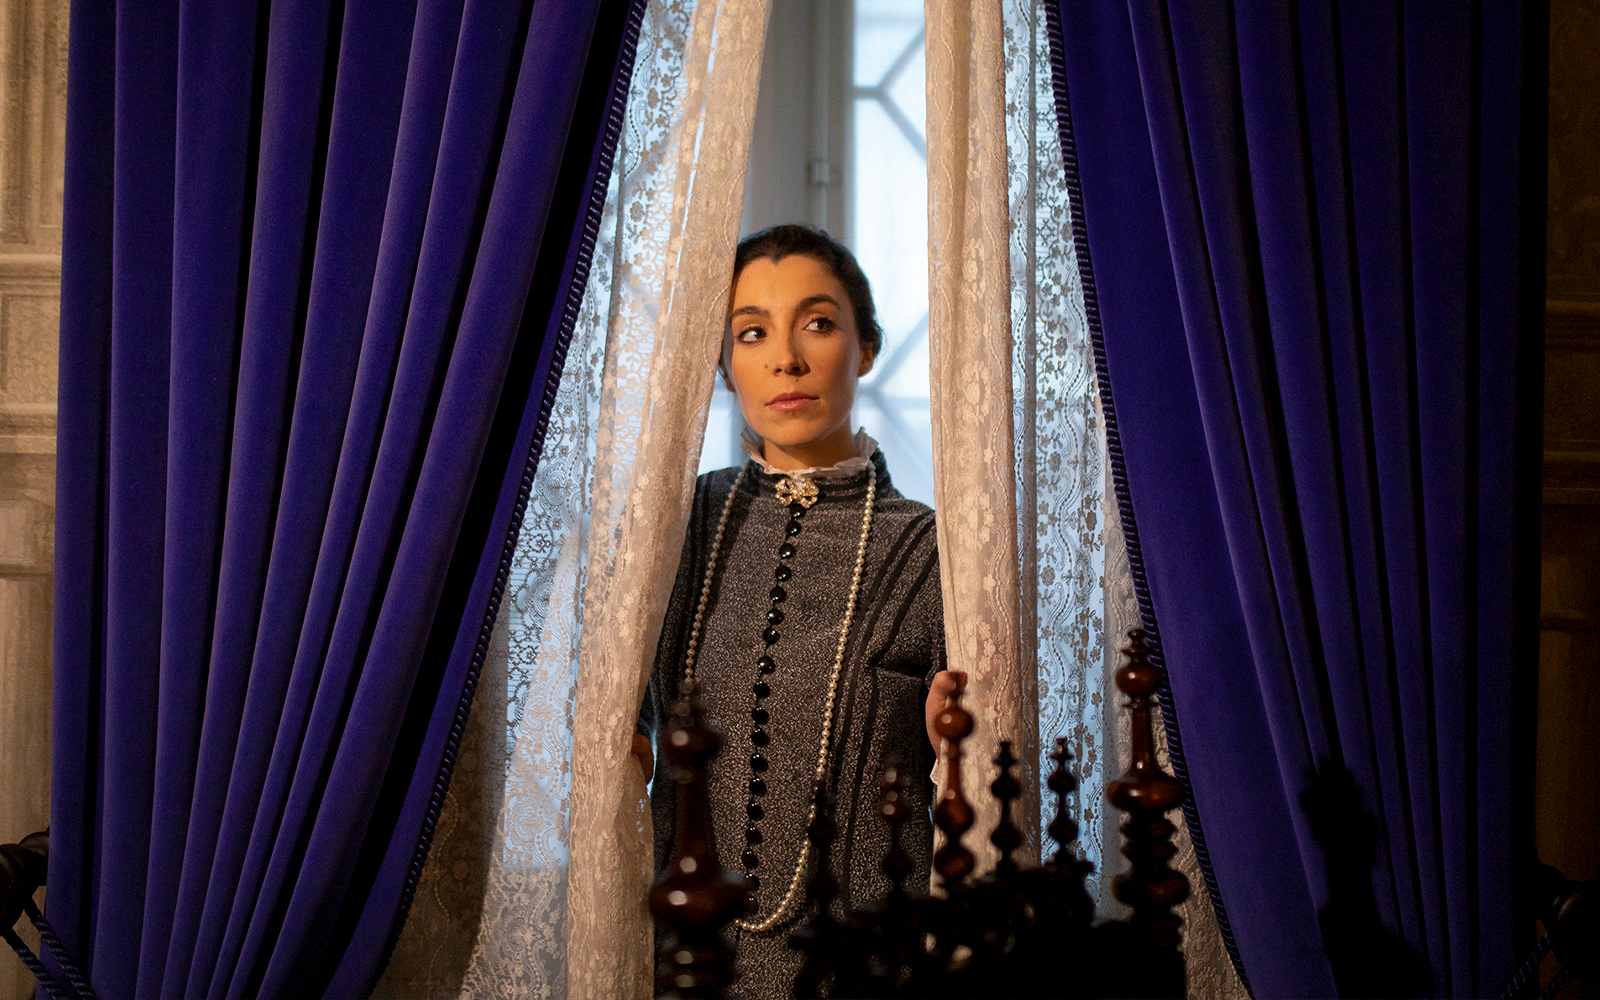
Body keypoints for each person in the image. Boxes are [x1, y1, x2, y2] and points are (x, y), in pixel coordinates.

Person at [636, 224, 962, 999]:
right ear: (722, 364)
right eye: (751, 333)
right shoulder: (669, 531)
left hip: (868, 975)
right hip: (680, 969)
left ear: (867, 347)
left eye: (817, 323)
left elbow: (977, 790)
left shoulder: (934, 552)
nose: (786, 358)